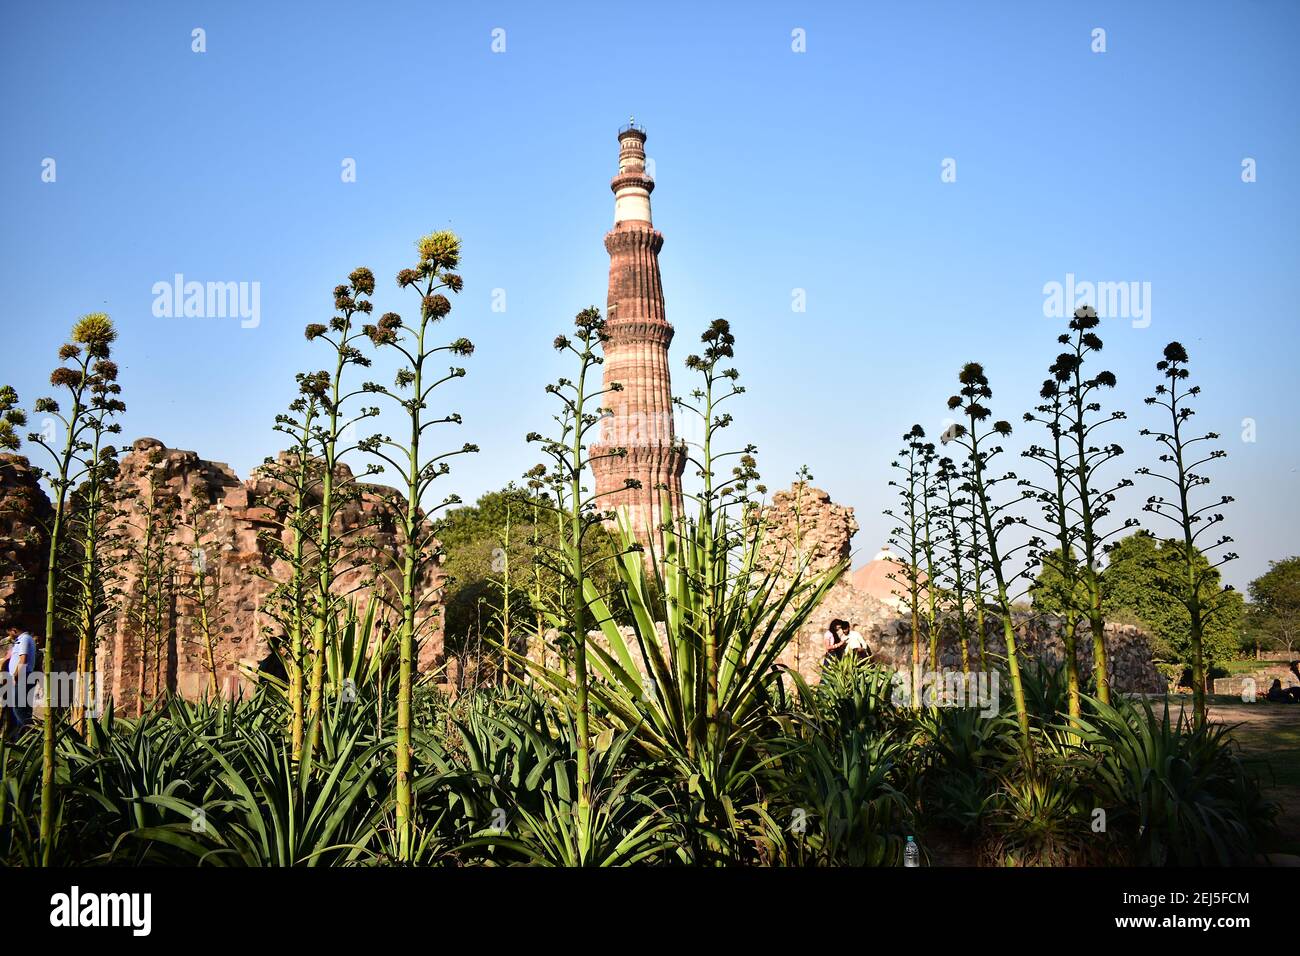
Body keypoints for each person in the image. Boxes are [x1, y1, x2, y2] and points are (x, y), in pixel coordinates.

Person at [3, 625, 39, 736]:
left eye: (10, 633)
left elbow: (23, 660)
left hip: (23, 677)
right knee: (19, 709)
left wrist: (16, 676)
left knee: (19, 709)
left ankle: (31, 734)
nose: (9, 636)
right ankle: (20, 738)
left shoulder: (25, 639)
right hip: (22, 677)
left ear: (14, 630)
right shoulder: (21, 640)